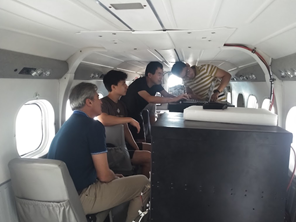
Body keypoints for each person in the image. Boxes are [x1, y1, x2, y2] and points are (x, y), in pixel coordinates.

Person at [47, 82, 150, 222]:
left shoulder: (67, 125)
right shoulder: (93, 126)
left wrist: (112, 176)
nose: (101, 101)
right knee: (143, 182)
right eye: (97, 97)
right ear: (89, 102)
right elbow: (104, 175)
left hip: (61, 197)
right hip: (80, 197)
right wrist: (113, 176)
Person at [98, 70, 151, 178]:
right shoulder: (103, 103)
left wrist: (136, 148)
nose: (126, 86)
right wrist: (129, 119)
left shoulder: (121, 105)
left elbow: (125, 129)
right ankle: (143, 187)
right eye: (123, 84)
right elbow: (103, 119)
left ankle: (142, 180)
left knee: (152, 148)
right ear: (113, 87)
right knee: (148, 157)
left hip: (123, 145)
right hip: (112, 149)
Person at [121, 61, 188, 140]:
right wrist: (174, 99)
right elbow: (150, 99)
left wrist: (180, 98)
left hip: (137, 113)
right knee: (131, 141)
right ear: (149, 75)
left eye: (162, 74)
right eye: (159, 74)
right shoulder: (139, 84)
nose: (161, 77)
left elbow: (166, 95)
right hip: (125, 113)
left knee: (141, 139)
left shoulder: (156, 84)